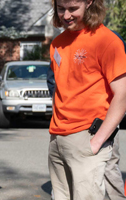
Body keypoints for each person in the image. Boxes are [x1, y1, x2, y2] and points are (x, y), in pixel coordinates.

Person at [48, 0, 126, 199]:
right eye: (61, 8)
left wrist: (96, 141)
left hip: (87, 137)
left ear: (89, 3)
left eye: (73, 9)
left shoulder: (107, 41)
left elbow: (123, 95)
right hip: (57, 138)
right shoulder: (57, 43)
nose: (66, 16)